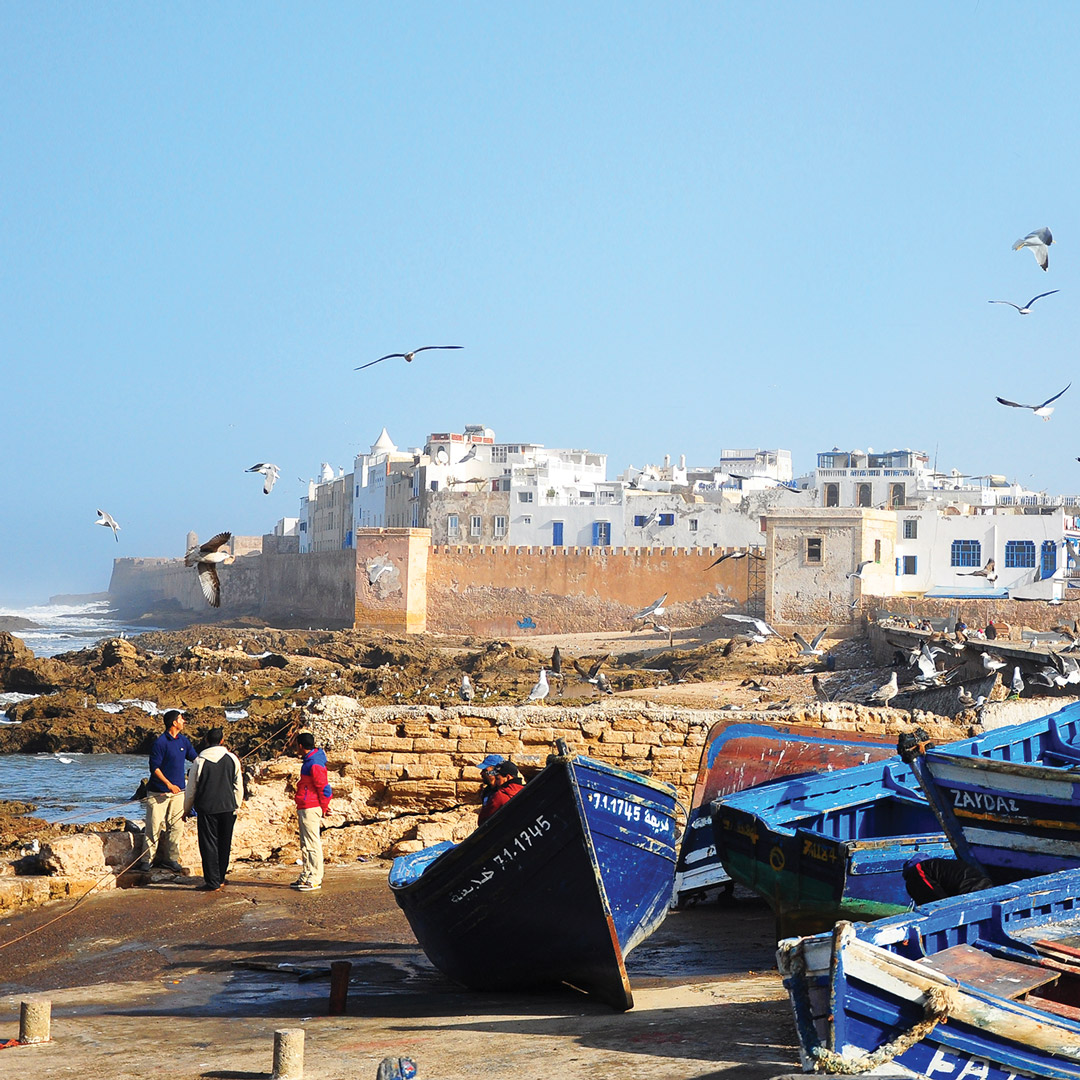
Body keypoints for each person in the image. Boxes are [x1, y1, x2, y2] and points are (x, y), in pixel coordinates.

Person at [184, 726, 244, 891]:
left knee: (209, 844)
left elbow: (191, 789)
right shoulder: (232, 759)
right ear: (222, 741)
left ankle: (212, 881)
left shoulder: (199, 761)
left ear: (206, 741)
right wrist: (236, 805)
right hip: (228, 807)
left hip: (207, 808)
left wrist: (187, 808)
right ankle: (221, 877)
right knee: (225, 843)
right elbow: (238, 785)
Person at [137, 709, 197, 873]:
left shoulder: (184, 741)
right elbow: (154, 768)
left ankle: (170, 859)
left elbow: (195, 758)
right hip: (158, 793)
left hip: (179, 793)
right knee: (153, 826)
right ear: (174, 722)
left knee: (176, 826)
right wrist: (168, 784)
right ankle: (146, 860)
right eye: (181, 718)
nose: (184, 721)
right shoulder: (160, 742)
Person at [293, 731, 331, 891]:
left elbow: (324, 788)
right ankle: (307, 874)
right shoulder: (310, 760)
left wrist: (324, 807)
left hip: (310, 806)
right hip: (305, 805)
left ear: (301, 746)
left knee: (312, 844)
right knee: (305, 843)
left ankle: (315, 877)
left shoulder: (314, 763)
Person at [903, 854, 993, 906]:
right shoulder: (940, 865)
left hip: (969, 892)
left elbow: (936, 902)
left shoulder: (918, 870)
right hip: (986, 887)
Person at [477, 761, 524, 825]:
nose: (496, 782)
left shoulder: (500, 796)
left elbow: (482, 820)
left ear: (508, 777)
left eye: (498, 778)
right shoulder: (525, 791)